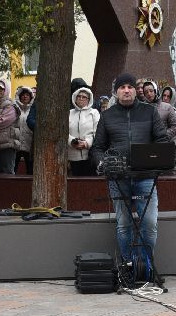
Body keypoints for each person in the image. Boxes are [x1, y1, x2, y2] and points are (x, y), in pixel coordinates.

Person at [92, 73, 168, 285]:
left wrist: (156, 158)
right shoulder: (107, 116)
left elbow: (162, 139)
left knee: (149, 223)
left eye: (130, 86)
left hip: (145, 177)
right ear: (116, 91)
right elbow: (98, 147)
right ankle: (128, 269)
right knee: (124, 224)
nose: (126, 90)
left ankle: (146, 268)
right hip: (118, 178)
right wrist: (102, 163)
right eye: (122, 87)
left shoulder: (150, 112)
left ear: (137, 90)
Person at [68, 86, 100, 177]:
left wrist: (86, 143)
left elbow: (97, 131)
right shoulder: (69, 113)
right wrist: (72, 141)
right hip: (72, 154)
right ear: (75, 98)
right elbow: (63, 132)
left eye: (84, 97)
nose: (81, 99)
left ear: (89, 99)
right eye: (79, 96)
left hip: (89, 155)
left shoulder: (94, 113)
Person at [10, 86, 35, 174]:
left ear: (31, 97)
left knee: (30, 170)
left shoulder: (34, 110)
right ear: (19, 96)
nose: (25, 97)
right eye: (23, 95)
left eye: (27, 95)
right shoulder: (14, 108)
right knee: (13, 169)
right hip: (16, 143)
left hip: (29, 144)